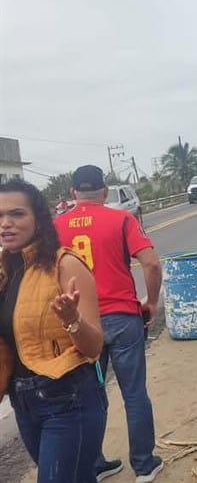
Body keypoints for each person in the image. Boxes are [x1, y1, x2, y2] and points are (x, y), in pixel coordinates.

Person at [55, 165, 164, 483]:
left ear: (73, 194)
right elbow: (151, 263)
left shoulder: (55, 227)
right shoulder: (121, 219)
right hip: (122, 318)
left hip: (80, 323)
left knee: (89, 395)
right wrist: (152, 301)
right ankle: (144, 464)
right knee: (134, 393)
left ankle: (94, 463)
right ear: (104, 191)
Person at [0, 179, 105, 482]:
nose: (6, 223)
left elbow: (95, 346)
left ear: (39, 219)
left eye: (17, 214)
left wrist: (72, 320)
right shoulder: (6, 271)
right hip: (23, 401)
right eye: (0, 216)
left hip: (68, 399)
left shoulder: (65, 264)